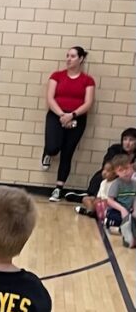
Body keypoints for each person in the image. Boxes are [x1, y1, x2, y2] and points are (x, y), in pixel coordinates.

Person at [42, 46, 96, 202]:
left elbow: (88, 102)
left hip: (76, 117)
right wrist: (61, 115)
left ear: (81, 59)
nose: (68, 59)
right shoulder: (57, 76)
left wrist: (72, 115)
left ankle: (58, 188)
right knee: (53, 147)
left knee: (67, 152)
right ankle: (48, 153)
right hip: (56, 115)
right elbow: (50, 98)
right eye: (67, 56)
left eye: (72, 56)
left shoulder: (88, 80)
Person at [105, 153, 136, 248]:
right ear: (116, 172)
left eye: (127, 168)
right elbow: (109, 201)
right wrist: (122, 209)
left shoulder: (134, 183)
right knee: (119, 219)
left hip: (129, 211)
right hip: (116, 211)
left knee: (132, 218)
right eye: (121, 170)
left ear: (131, 167)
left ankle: (128, 233)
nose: (125, 172)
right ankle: (125, 232)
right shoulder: (116, 184)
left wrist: (135, 210)